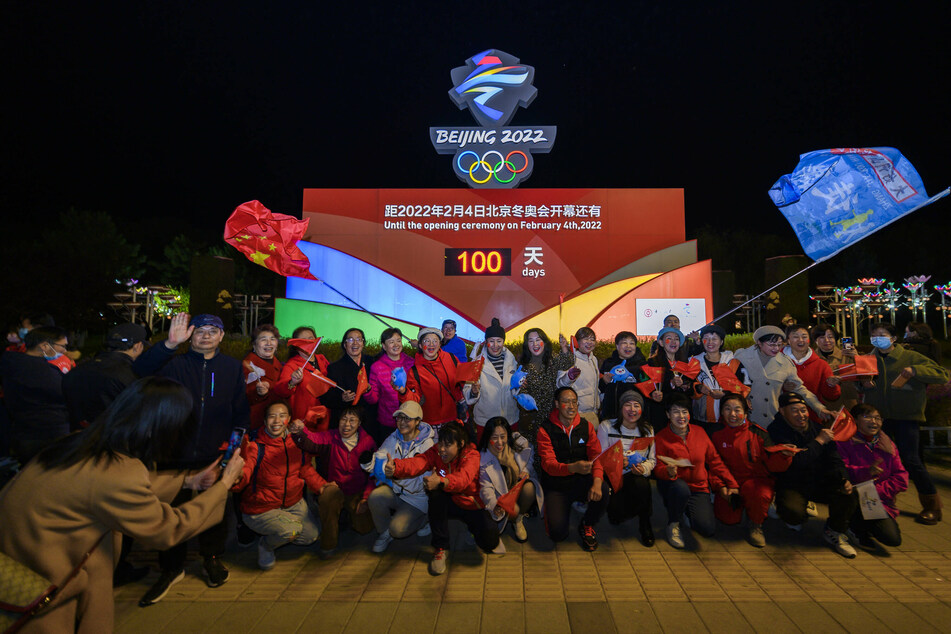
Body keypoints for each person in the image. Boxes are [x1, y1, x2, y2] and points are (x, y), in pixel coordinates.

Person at [0, 377, 244, 632]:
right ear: (159, 426)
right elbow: (168, 529)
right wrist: (223, 485)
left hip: (24, 564)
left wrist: (187, 481)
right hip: (47, 587)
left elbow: (112, 493)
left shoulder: (78, 443)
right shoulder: (118, 474)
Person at [134, 313, 250, 602]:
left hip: (214, 454)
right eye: (200, 331)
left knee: (213, 511)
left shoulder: (232, 368)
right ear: (190, 335)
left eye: (213, 330)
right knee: (170, 512)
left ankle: (211, 558)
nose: (206, 336)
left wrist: (231, 452)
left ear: (222, 336)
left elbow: (240, 413)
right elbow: (139, 370)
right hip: (173, 453)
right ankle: (171, 568)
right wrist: (170, 345)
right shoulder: (173, 363)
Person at [384, 421, 502, 575]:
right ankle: (440, 548)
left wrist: (441, 481)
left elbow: (463, 479)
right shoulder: (437, 452)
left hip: (471, 504)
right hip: (449, 501)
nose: (442, 449)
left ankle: (471, 529)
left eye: (448, 445)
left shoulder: (471, 455)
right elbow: (419, 462)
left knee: (490, 543)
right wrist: (396, 467)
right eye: (440, 443)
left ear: (460, 444)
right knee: (435, 494)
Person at [860, 323, 950, 525]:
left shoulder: (910, 357)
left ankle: (932, 506)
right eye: (873, 336)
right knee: (876, 461)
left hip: (906, 418)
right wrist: (862, 383)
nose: (877, 339)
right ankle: (878, 503)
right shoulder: (867, 359)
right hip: (877, 420)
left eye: (882, 335)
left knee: (911, 460)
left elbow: (941, 374)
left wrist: (915, 371)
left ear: (893, 338)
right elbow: (859, 382)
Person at [232, 401, 327, 570]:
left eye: (282, 416)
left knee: (310, 536)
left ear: (289, 419)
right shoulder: (256, 447)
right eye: (271, 416)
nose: (276, 420)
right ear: (264, 420)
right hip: (262, 509)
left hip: (292, 503)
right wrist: (237, 477)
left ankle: (284, 528)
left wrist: (323, 487)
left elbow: (305, 469)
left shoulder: (296, 443)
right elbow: (245, 471)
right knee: (292, 530)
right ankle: (266, 545)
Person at [768, 392, 858, 558]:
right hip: (792, 484)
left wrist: (843, 478)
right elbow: (796, 463)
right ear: (782, 411)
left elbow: (835, 459)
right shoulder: (775, 431)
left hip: (818, 481)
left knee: (849, 492)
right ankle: (800, 506)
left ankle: (834, 531)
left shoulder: (818, 428)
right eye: (794, 410)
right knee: (793, 515)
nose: (801, 415)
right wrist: (819, 441)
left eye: (803, 410)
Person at [653, 393, 738, 549]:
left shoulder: (700, 432)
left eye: (684, 412)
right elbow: (657, 468)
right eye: (676, 412)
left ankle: (687, 510)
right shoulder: (660, 437)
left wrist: (732, 484)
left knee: (707, 529)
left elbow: (715, 461)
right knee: (681, 490)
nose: (681, 416)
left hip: (699, 487)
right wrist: (668, 471)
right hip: (674, 485)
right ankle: (673, 523)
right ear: (668, 414)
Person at [289, 406, 377, 556]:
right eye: (344, 419)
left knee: (364, 528)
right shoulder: (331, 437)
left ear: (359, 423)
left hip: (356, 491)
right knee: (329, 497)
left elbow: (374, 473)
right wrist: (300, 432)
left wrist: (366, 498)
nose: (347, 424)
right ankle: (328, 544)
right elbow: (311, 441)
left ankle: (346, 516)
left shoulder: (368, 442)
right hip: (335, 488)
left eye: (352, 420)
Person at [710, 393, 793, 548]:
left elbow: (773, 466)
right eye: (727, 409)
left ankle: (756, 524)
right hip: (729, 482)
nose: (732, 414)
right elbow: (713, 466)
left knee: (758, 494)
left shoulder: (758, 433)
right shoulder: (716, 434)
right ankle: (747, 507)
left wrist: (785, 456)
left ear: (746, 412)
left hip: (755, 481)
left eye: (737, 409)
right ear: (721, 412)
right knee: (728, 519)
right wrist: (720, 487)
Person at [537, 386, 609, 551]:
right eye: (565, 402)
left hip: (580, 480)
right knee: (557, 534)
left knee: (603, 490)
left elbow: (596, 456)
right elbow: (548, 465)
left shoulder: (586, 427)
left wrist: (597, 481)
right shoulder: (545, 429)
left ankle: (587, 524)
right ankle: (556, 507)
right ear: (556, 404)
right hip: (556, 485)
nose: (571, 406)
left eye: (574, 402)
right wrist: (573, 467)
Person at [836, 403, 908, 550]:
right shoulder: (844, 441)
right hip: (853, 495)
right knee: (850, 502)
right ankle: (853, 528)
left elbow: (901, 477)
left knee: (892, 538)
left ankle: (865, 524)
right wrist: (866, 471)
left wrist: (875, 491)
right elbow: (840, 470)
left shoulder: (888, 444)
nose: (874, 421)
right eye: (867, 417)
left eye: (877, 418)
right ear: (855, 420)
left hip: (879, 499)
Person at [367, 401, 436, 553]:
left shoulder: (427, 445)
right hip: (396, 490)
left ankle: (427, 519)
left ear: (418, 421)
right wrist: (369, 464)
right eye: (399, 418)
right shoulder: (393, 438)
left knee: (397, 530)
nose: (402, 422)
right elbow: (379, 458)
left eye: (407, 418)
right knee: (375, 497)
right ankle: (385, 533)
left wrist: (395, 475)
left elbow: (423, 484)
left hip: (417, 498)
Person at [733, 325, 833, 428]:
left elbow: (800, 389)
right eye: (772, 345)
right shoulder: (742, 357)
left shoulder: (785, 362)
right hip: (746, 418)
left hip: (771, 419)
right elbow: (730, 383)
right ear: (759, 343)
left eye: (779, 345)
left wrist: (819, 408)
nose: (776, 349)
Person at [0, 326, 71, 463]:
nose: (65, 351)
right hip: (47, 434)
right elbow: (65, 393)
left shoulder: (14, 363)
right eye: (62, 346)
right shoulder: (39, 371)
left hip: (22, 431)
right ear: (45, 345)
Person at [596, 390, 656, 546]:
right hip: (612, 477)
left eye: (637, 405)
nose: (632, 409)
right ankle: (619, 510)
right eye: (627, 405)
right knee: (617, 516)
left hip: (634, 476)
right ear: (620, 408)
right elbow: (598, 458)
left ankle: (645, 524)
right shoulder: (606, 426)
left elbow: (652, 459)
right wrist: (615, 462)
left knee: (642, 484)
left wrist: (643, 469)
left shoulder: (647, 429)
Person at [479, 416, 543, 543]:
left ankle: (518, 519)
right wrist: (494, 505)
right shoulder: (482, 458)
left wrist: (526, 471)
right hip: (500, 498)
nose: (499, 442)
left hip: (517, 488)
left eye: (503, 436)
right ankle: (514, 516)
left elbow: (529, 457)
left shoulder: (518, 442)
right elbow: (485, 487)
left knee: (530, 488)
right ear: (488, 438)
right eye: (494, 438)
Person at [395, 326, 464, 428]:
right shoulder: (415, 371)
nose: (431, 344)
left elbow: (461, 384)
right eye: (427, 341)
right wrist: (403, 391)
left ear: (440, 344)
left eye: (435, 341)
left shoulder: (451, 358)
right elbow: (414, 400)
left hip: (454, 419)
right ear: (420, 345)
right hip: (430, 424)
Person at [464, 318, 519, 443]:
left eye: (499, 341)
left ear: (503, 342)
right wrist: (473, 391)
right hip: (486, 422)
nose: (495, 345)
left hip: (510, 419)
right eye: (491, 341)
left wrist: (520, 387)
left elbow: (515, 388)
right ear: (486, 342)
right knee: (486, 457)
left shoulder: (512, 361)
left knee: (510, 457)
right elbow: (467, 393)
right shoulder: (476, 363)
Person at [517, 328, 575, 448]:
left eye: (538, 340)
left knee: (552, 448)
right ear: (527, 344)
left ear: (544, 342)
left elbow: (567, 363)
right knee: (536, 450)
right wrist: (521, 391)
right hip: (532, 417)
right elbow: (521, 391)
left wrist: (564, 347)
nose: (535, 344)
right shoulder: (523, 365)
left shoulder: (552, 359)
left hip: (552, 414)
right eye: (531, 341)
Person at [690, 323, 748, 437]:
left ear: (721, 342)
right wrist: (698, 387)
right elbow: (687, 384)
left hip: (729, 419)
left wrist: (725, 394)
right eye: (706, 339)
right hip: (702, 418)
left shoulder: (733, 362)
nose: (710, 342)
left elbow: (745, 385)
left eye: (714, 339)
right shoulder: (693, 362)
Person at [323, 328, 377, 436]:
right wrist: (342, 398)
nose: (355, 343)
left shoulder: (372, 362)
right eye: (351, 340)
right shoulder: (334, 368)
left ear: (363, 343)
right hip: (347, 420)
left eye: (359, 339)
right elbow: (327, 398)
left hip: (369, 419)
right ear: (345, 344)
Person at [278, 325, 332, 431]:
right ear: (296, 345)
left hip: (324, 418)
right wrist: (292, 382)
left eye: (311, 339)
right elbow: (280, 390)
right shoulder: (291, 365)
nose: (308, 343)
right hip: (304, 423)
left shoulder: (322, 360)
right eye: (303, 340)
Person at [364, 327, 414, 439]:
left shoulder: (411, 363)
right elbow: (373, 399)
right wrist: (367, 390)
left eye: (398, 340)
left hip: (411, 419)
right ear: (384, 346)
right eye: (391, 342)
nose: (396, 344)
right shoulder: (377, 367)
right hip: (388, 422)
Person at [783, 324, 841, 418]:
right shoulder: (777, 360)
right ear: (788, 340)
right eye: (795, 337)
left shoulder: (821, 364)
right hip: (782, 416)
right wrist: (782, 386)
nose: (801, 340)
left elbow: (832, 396)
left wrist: (831, 385)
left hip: (812, 416)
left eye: (804, 337)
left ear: (810, 340)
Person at [644, 327, 696, 430]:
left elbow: (691, 389)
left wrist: (685, 386)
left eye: (676, 339)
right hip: (661, 412)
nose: (673, 342)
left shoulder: (685, 363)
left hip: (681, 413)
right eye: (669, 339)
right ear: (661, 342)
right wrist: (671, 383)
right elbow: (648, 387)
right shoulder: (652, 363)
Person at [242, 324, 291, 431]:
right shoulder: (248, 365)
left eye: (272, 339)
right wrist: (259, 393)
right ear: (254, 345)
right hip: (257, 424)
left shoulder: (280, 365)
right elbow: (244, 396)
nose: (269, 343)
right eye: (263, 340)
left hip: (278, 424)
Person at [598, 331, 648, 421]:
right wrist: (604, 381)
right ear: (617, 346)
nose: (628, 346)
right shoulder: (608, 363)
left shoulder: (642, 366)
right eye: (624, 343)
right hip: (610, 414)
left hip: (633, 415)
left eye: (632, 343)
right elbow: (599, 388)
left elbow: (647, 388)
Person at [810, 323, 859, 411]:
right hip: (820, 405)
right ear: (815, 340)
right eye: (821, 337)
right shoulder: (811, 358)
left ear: (836, 339)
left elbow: (864, 376)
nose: (826, 340)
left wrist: (857, 358)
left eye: (830, 337)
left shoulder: (847, 356)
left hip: (846, 404)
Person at [557, 327, 599, 426]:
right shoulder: (569, 358)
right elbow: (559, 384)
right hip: (577, 413)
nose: (589, 342)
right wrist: (569, 377)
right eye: (586, 339)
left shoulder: (594, 359)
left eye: (592, 339)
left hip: (593, 412)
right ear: (576, 341)